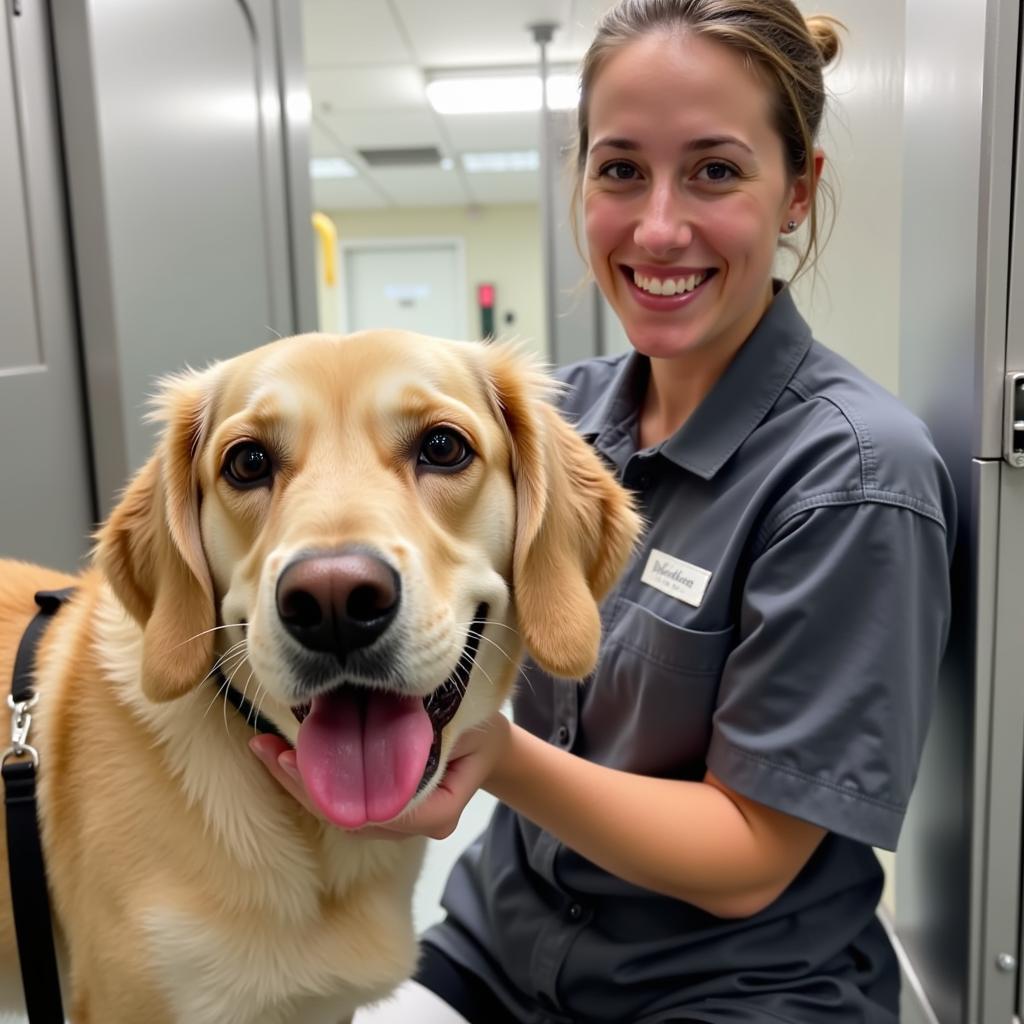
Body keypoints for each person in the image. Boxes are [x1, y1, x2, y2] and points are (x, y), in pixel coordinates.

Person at [252, 2, 956, 1021]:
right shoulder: (548, 426)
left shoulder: (852, 475)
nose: (657, 226)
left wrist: (488, 753)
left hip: (731, 988)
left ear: (796, 190)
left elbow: (750, 858)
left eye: (715, 170)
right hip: (498, 944)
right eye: (620, 169)